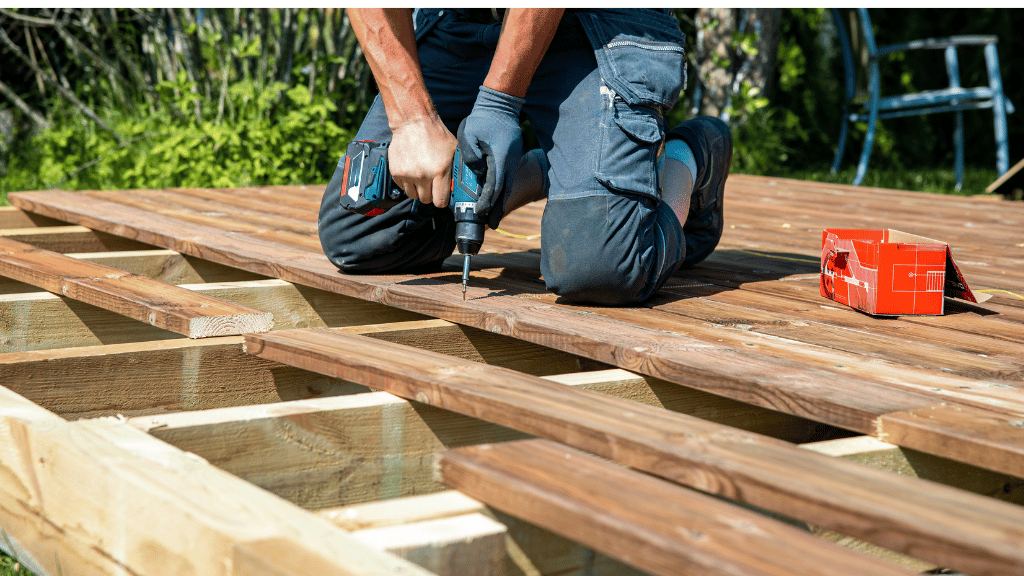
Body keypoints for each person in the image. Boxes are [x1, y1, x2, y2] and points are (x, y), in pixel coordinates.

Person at [318, 8, 732, 305]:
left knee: (602, 270)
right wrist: (412, 120)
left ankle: (687, 159)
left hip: (599, 25)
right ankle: (550, 170)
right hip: (461, 20)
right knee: (360, 236)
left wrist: (498, 104)